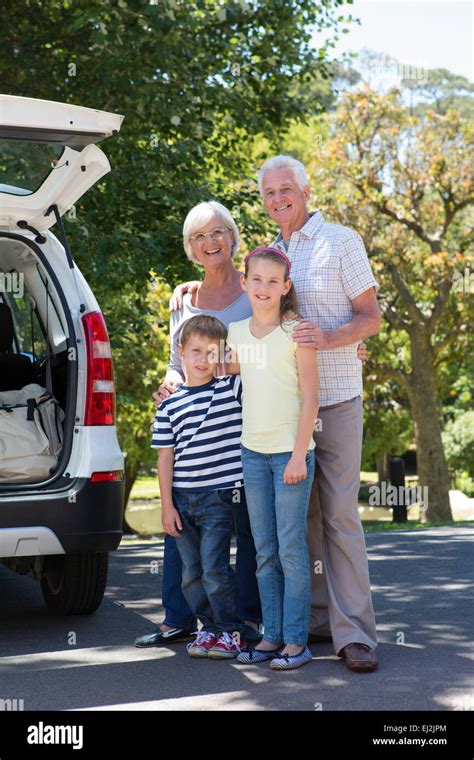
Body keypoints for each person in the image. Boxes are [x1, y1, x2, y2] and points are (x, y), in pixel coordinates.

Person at [171, 156, 380, 671]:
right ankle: (308, 623)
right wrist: (188, 296)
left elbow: (371, 317)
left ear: (306, 191)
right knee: (300, 529)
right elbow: (233, 328)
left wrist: (332, 340)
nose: (278, 199)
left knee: (338, 517)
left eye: (287, 189)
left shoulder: (342, 242)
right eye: (269, 193)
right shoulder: (273, 256)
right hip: (280, 420)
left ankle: (355, 635)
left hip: (334, 399)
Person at [135, 201, 262, 650]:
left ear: (232, 236)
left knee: (243, 530)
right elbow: (176, 362)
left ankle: (243, 621)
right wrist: (168, 387)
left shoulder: (255, 292)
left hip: (242, 425)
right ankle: (179, 619)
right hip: (191, 431)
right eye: (198, 237)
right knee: (181, 527)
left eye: (217, 233)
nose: (209, 243)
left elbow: (269, 352)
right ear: (190, 247)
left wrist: (236, 367)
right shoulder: (183, 300)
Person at [226, 247, 318, 670]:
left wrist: (299, 455)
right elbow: (221, 375)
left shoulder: (297, 331)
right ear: (243, 283)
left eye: (272, 281)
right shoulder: (237, 333)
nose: (263, 288)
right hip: (252, 453)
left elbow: (312, 398)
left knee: (291, 551)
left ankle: (297, 642)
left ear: (286, 287)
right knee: (264, 550)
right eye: (255, 280)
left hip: (290, 456)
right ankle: (272, 635)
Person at [153, 314, 244, 659]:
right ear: (181, 351)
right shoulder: (169, 404)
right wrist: (166, 506)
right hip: (181, 499)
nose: (203, 360)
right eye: (195, 351)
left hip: (218, 498)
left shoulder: (231, 389)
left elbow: (258, 368)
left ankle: (230, 630)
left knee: (215, 568)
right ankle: (208, 628)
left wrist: (229, 356)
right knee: (191, 573)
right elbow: (164, 459)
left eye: (211, 352)